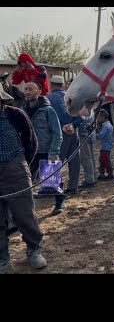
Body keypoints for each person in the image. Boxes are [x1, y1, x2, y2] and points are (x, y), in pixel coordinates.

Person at [0, 83, 47, 273]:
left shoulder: (15, 115)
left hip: (16, 169)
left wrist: (23, 166)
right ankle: (3, 258)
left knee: (25, 214)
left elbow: (31, 142)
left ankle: (33, 249)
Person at [21, 81, 65, 216]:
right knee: (26, 180)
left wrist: (53, 152)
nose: (28, 91)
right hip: (30, 151)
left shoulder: (48, 110)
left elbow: (57, 132)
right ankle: (28, 211)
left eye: (31, 89)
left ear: (38, 92)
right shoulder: (22, 110)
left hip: (46, 149)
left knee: (53, 178)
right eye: (26, 89)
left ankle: (59, 203)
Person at [48, 75, 83, 195]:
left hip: (57, 135)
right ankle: (73, 187)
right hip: (73, 133)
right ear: (63, 85)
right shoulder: (71, 98)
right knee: (74, 161)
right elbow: (81, 117)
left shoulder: (47, 99)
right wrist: (72, 125)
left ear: (50, 84)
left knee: (54, 160)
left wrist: (62, 126)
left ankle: (52, 188)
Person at [78, 108, 97, 188]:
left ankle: (89, 180)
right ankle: (93, 177)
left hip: (83, 133)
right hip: (90, 133)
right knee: (91, 157)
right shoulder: (90, 105)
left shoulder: (82, 105)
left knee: (86, 158)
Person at [96, 109, 114, 180]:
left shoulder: (105, 126)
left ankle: (109, 174)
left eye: (98, 117)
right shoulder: (109, 125)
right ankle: (103, 173)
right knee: (102, 161)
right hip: (106, 146)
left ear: (103, 117)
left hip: (105, 147)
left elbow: (101, 136)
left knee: (105, 161)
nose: (97, 119)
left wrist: (93, 134)